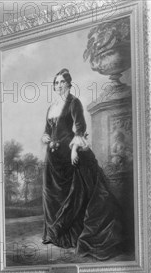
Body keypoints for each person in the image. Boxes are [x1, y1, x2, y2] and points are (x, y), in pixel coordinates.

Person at [41, 68, 126, 260]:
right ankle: (54, 234)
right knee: (51, 192)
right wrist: (46, 137)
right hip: (53, 156)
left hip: (69, 152)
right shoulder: (51, 106)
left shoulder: (74, 102)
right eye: (56, 82)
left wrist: (74, 150)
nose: (59, 85)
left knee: (75, 191)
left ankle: (70, 234)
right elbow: (47, 130)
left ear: (69, 84)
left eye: (62, 82)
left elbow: (79, 127)